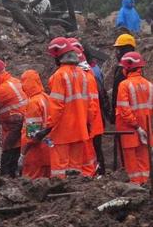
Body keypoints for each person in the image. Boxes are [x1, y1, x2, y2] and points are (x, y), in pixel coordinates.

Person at [39, 37, 95, 178]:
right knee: (75, 169)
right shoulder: (83, 75)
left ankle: (61, 195)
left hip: (62, 132)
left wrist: (47, 127)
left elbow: (57, 106)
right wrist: (87, 124)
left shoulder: (59, 75)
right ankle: (75, 197)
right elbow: (90, 104)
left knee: (60, 170)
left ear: (58, 56)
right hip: (80, 130)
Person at [115, 52, 152, 185]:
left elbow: (124, 110)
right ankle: (146, 185)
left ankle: (135, 186)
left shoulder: (124, 85)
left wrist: (136, 126)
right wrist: (143, 127)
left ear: (128, 68)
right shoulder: (149, 85)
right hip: (146, 129)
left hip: (129, 130)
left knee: (131, 160)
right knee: (144, 158)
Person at [70, 38, 102, 176]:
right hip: (91, 123)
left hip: (83, 125)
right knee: (93, 156)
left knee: (87, 156)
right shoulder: (90, 73)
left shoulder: (76, 76)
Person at [19, 70, 51, 179]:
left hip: (36, 155)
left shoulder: (33, 103)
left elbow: (33, 135)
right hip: (49, 149)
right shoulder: (46, 97)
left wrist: (23, 154)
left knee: (31, 186)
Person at [111, 34, 137, 124]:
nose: (117, 53)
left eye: (119, 50)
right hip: (124, 115)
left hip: (127, 117)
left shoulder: (129, 70)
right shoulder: (120, 69)